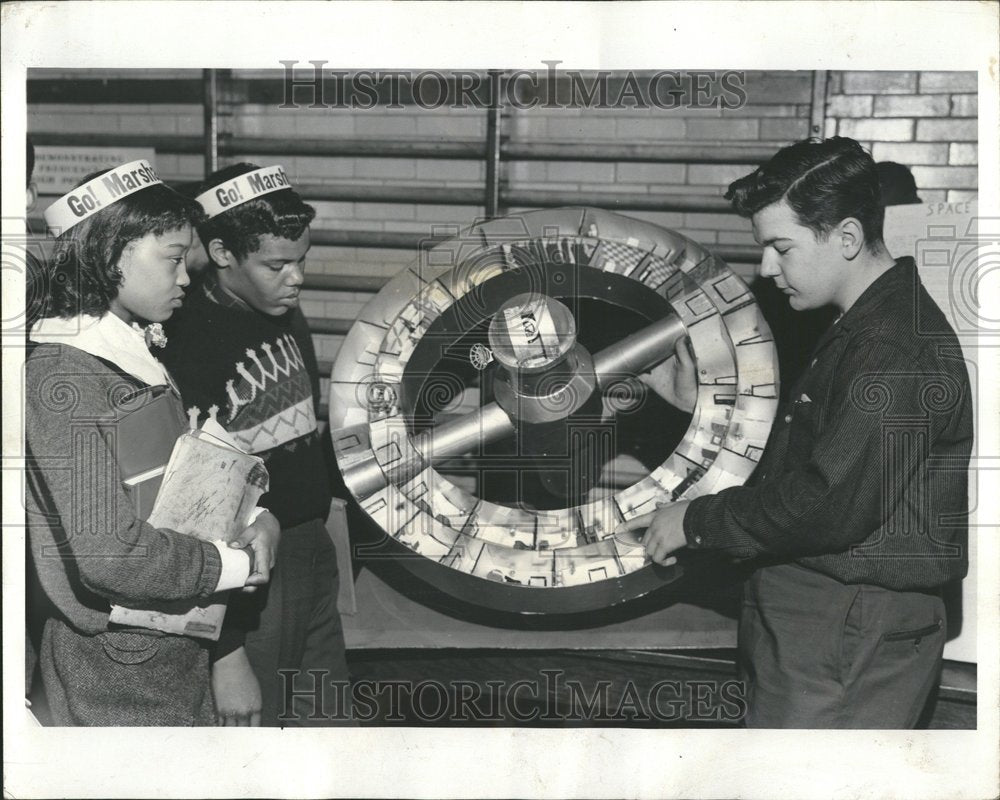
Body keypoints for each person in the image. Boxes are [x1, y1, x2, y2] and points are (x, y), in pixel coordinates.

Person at [619, 137, 972, 728]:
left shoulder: (894, 347)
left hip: (846, 629)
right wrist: (698, 406)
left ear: (848, 238)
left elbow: (828, 503)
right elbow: (821, 453)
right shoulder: (862, 328)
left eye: (781, 247)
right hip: (824, 619)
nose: (766, 268)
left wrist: (695, 522)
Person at [25, 160, 280, 726]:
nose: (186, 277)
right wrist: (232, 565)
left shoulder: (128, 351)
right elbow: (110, 553)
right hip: (112, 660)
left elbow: (173, 478)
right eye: (171, 258)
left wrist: (252, 514)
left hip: (165, 636)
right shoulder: (61, 376)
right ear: (114, 254)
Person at [160, 162, 351, 726]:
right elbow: (192, 517)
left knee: (331, 731)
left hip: (310, 550)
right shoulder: (188, 337)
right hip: (246, 579)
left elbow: (301, 437)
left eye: (301, 261)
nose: (296, 278)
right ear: (221, 254)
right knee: (253, 746)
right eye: (277, 264)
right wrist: (227, 653)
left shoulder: (283, 309)